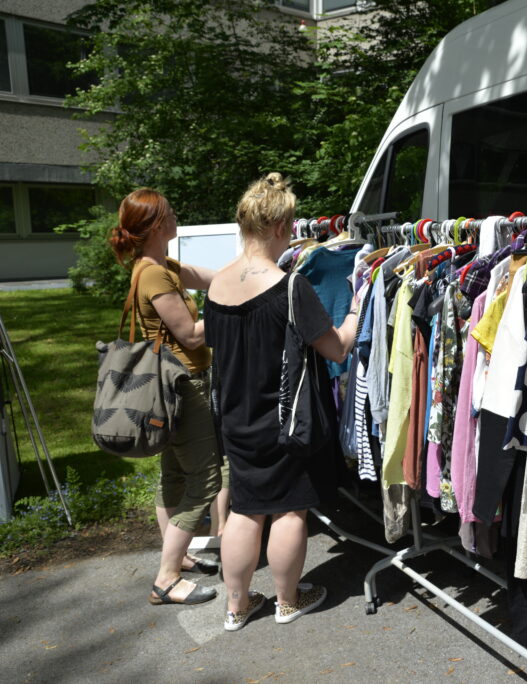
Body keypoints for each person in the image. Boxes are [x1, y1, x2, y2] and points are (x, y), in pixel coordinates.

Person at [204, 173, 358, 631]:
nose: (292, 234)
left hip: (235, 416)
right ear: (277, 227)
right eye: (290, 226)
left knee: (245, 508)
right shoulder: (290, 287)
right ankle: (288, 601)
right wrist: (355, 310)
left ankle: (236, 606)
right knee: (291, 508)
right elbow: (336, 348)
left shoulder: (217, 284)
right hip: (286, 417)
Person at [109, 188, 221, 606]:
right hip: (183, 386)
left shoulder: (161, 266)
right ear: (157, 225)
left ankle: (178, 556)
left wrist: (250, 274)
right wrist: (230, 311)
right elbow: (189, 335)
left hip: (171, 387)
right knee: (205, 481)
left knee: (173, 476)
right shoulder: (153, 274)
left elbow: (214, 279)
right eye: (171, 213)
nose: (176, 217)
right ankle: (167, 577)